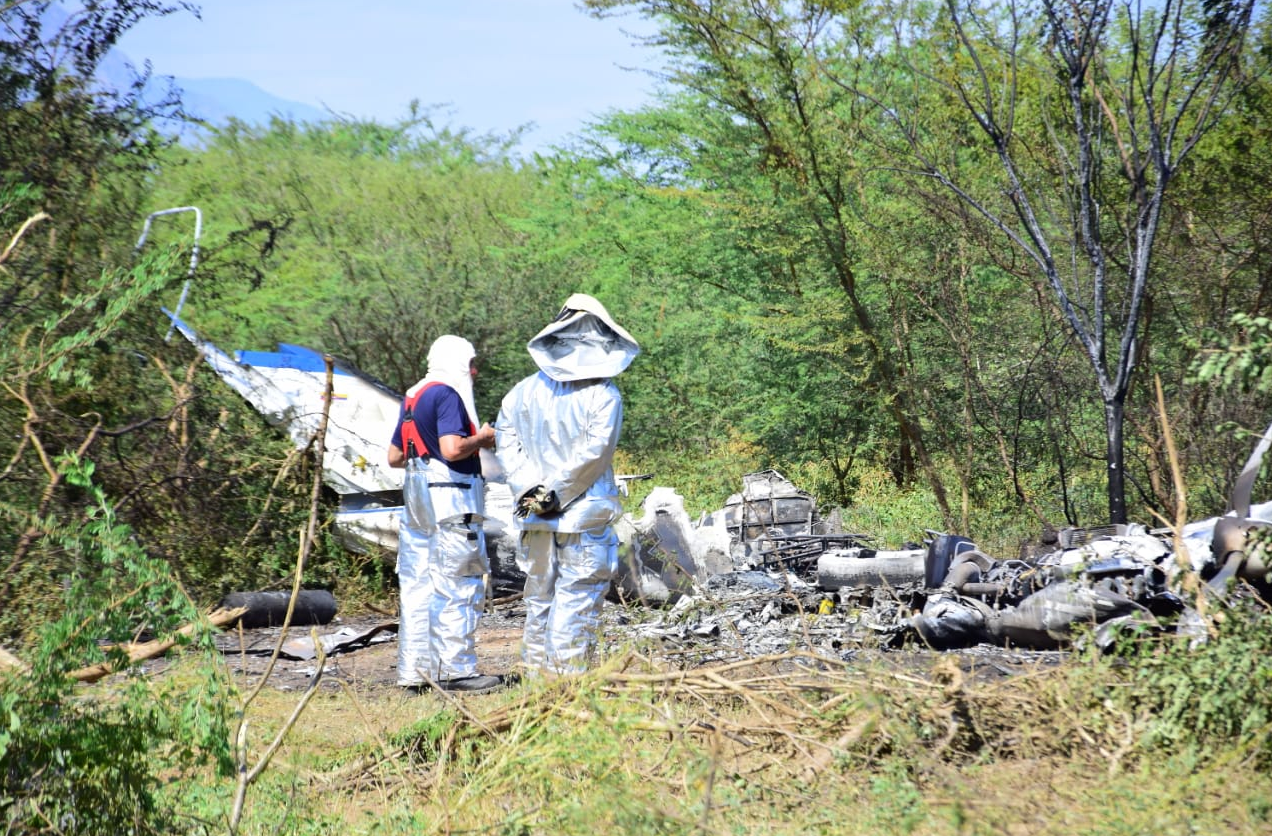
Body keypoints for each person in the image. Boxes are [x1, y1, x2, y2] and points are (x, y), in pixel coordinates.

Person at [495, 293, 640, 676]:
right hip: (582, 519)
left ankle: (534, 682)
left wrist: (532, 492)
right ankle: (563, 690)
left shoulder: (521, 392)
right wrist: (552, 494)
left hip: (536, 520)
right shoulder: (604, 395)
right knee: (576, 599)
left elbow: (506, 444)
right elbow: (595, 454)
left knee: (540, 598)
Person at [387, 335, 502, 693]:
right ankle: (457, 671)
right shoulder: (446, 394)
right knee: (458, 581)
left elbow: (394, 457)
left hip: (417, 496)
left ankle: (414, 673)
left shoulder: (413, 398)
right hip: (451, 495)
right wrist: (482, 439)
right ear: (456, 362)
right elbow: (453, 450)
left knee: (418, 584)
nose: (474, 371)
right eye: (470, 363)